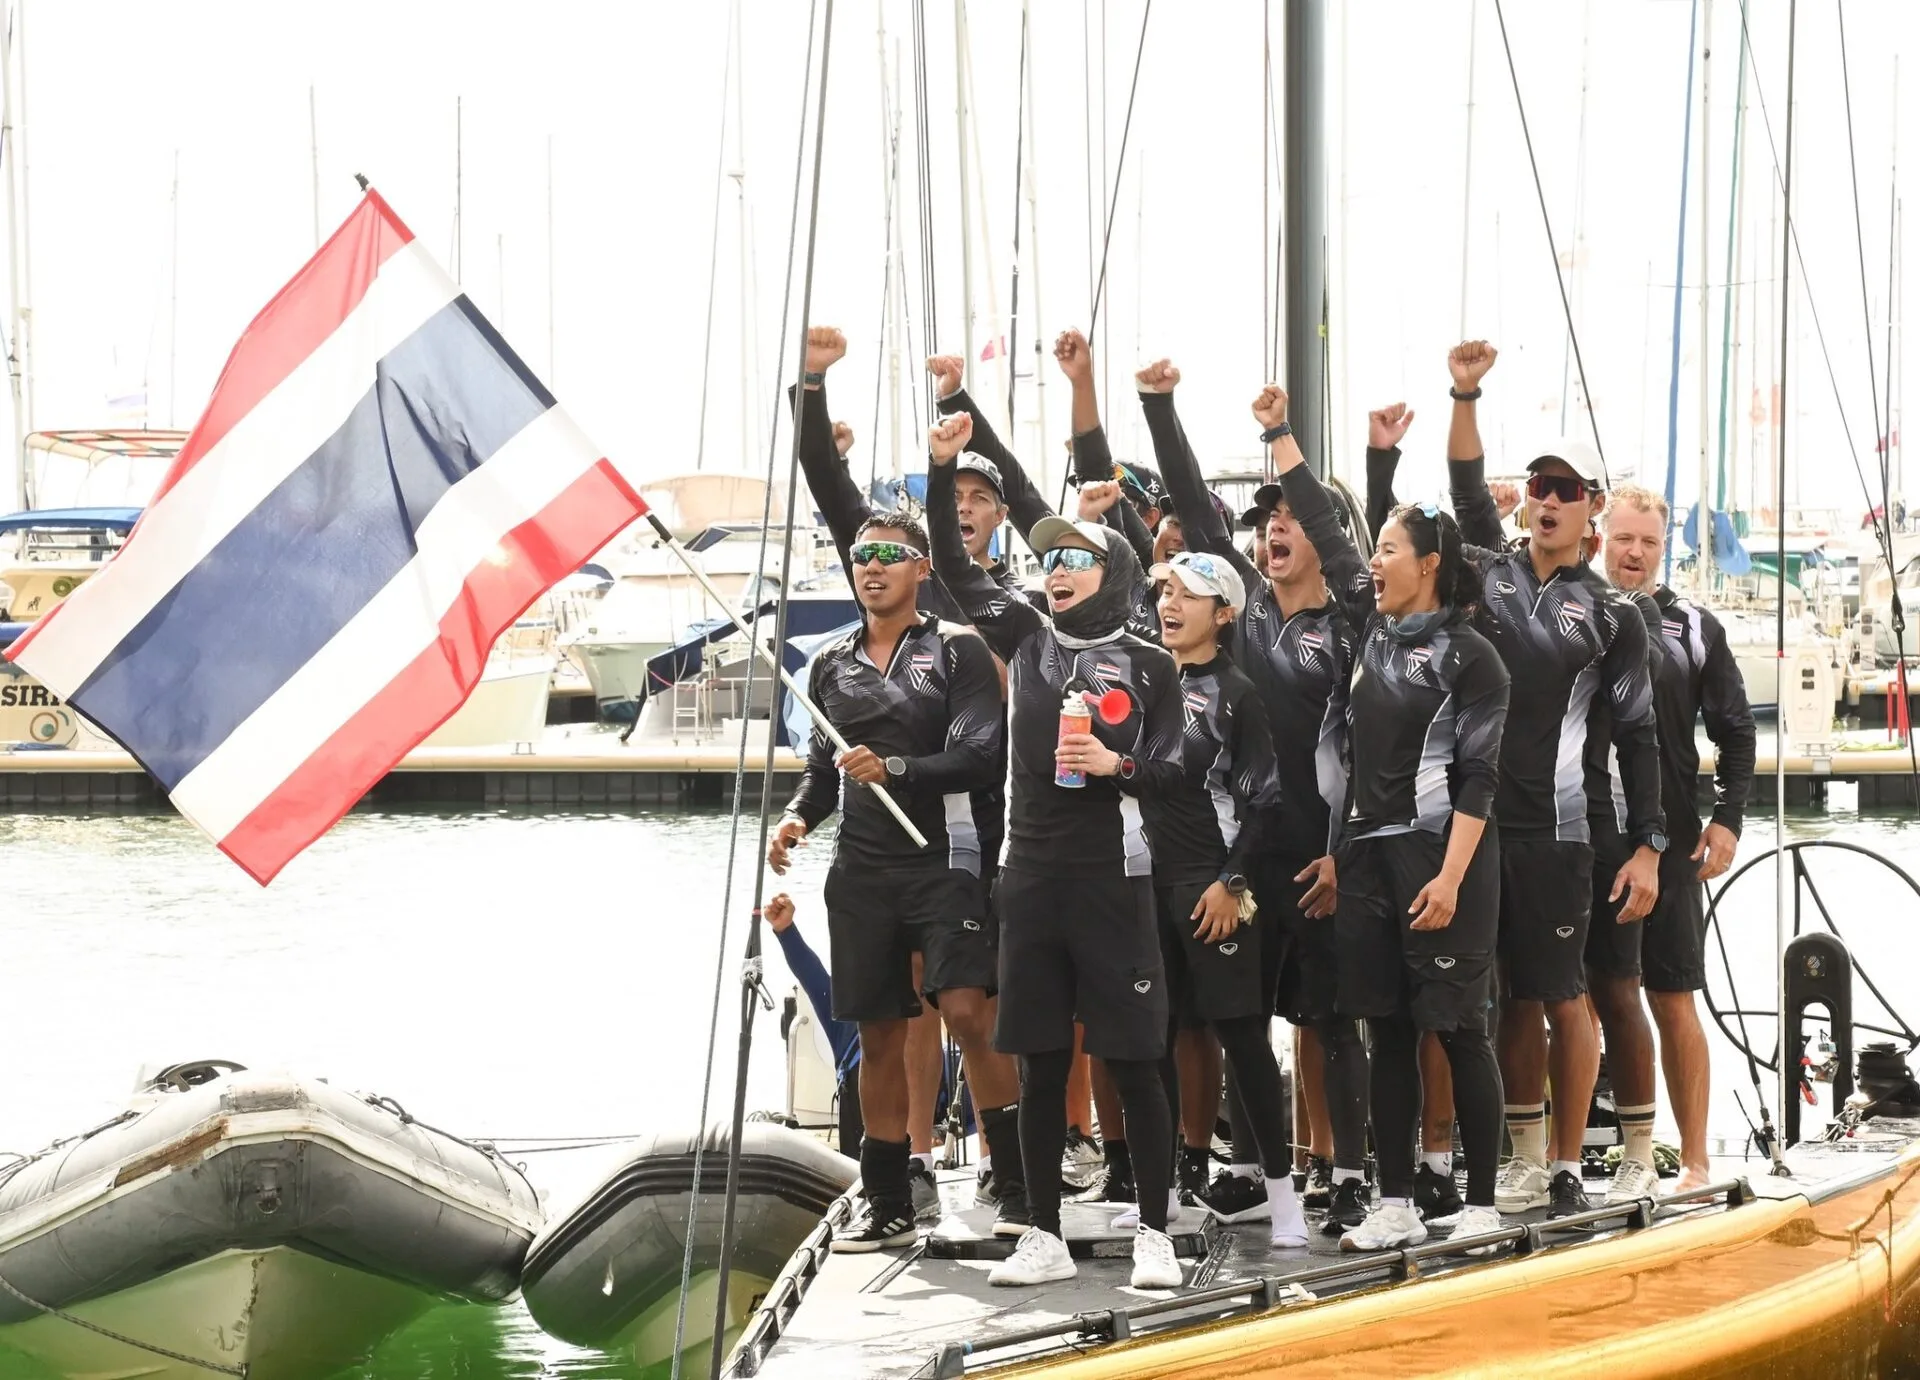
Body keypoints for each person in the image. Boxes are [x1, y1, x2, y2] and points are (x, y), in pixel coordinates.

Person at [925, 409, 1186, 1291]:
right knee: (1039, 1061)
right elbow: (953, 565)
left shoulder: (1150, 665)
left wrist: (1118, 764)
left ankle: (1155, 1233)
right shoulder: (1026, 637)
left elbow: (1178, 771)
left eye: (1077, 558)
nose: (1058, 570)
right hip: (1029, 877)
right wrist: (942, 468)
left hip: (1116, 878)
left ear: (1113, 574)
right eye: (1051, 560)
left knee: (1134, 1061)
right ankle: (1041, 1233)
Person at [1254, 383, 1512, 1251]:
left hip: (1444, 857)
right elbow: (1328, 530)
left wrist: (1451, 879)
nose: (1371, 562)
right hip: (1366, 857)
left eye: (1389, 550)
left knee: (1459, 1029)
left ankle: (1482, 1202)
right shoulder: (1368, 628)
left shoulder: (1472, 656)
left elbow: (1480, 778)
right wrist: (1280, 434)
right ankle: (1394, 1200)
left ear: (1427, 564)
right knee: (1387, 1029)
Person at [789, 330, 1024, 1219]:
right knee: (881, 1032)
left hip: (948, 857)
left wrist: (894, 765)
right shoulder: (829, 663)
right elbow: (823, 770)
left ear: (924, 569)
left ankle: (1015, 1171)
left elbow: (980, 752)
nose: (872, 567)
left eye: (890, 556)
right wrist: (799, 818)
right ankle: (889, 1190)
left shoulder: (957, 647)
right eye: (861, 557)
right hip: (863, 870)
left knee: (965, 1009)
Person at [1135, 361, 1372, 1235]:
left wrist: (1343, 856)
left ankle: (1347, 1174)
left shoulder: (1349, 626)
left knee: (1329, 1021)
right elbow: (1199, 520)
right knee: (1238, 1019)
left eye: (1291, 518)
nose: (1276, 528)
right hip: (1246, 856)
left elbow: (1365, 755)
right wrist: (1159, 407)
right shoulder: (1243, 615)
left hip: (1320, 856)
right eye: (1267, 519)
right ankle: (1243, 1168)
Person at [1443, 341, 1664, 1221]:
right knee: (1508, 1000)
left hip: (1564, 830)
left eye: (1565, 489)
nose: (1547, 500)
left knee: (1567, 997)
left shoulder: (1612, 615)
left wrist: (1649, 848)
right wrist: (1465, 394)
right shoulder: (1485, 576)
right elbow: (1465, 487)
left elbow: (1640, 738)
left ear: (1591, 508)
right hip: (1480, 823)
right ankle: (1527, 1159)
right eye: (1539, 485)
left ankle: (1574, 1164)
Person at [1136, 541, 1310, 1248]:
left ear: (1224, 613)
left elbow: (1266, 803)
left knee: (1242, 1038)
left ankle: (1284, 1201)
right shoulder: (1144, 680)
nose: (1170, 605)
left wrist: (1230, 882)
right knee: (1155, 1038)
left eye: (1187, 595)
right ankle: (1162, 1196)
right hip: (1146, 882)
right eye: (1164, 593)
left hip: (1213, 883)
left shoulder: (1237, 694)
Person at [1593, 484, 1755, 1195]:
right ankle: (1580, 1158)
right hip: (1586, 832)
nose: (1634, 552)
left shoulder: (1693, 627)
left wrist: (1728, 821)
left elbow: (1736, 732)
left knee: (1672, 995)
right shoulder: (1574, 612)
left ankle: (1694, 1161)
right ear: (1602, 536)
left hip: (1674, 840)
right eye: (1624, 538)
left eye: (1649, 542)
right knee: (1581, 996)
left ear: (1664, 549)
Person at [767, 892, 863, 1159]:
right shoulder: (846, 1023)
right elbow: (811, 973)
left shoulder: (917, 1016)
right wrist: (786, 930)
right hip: (857, 1163)